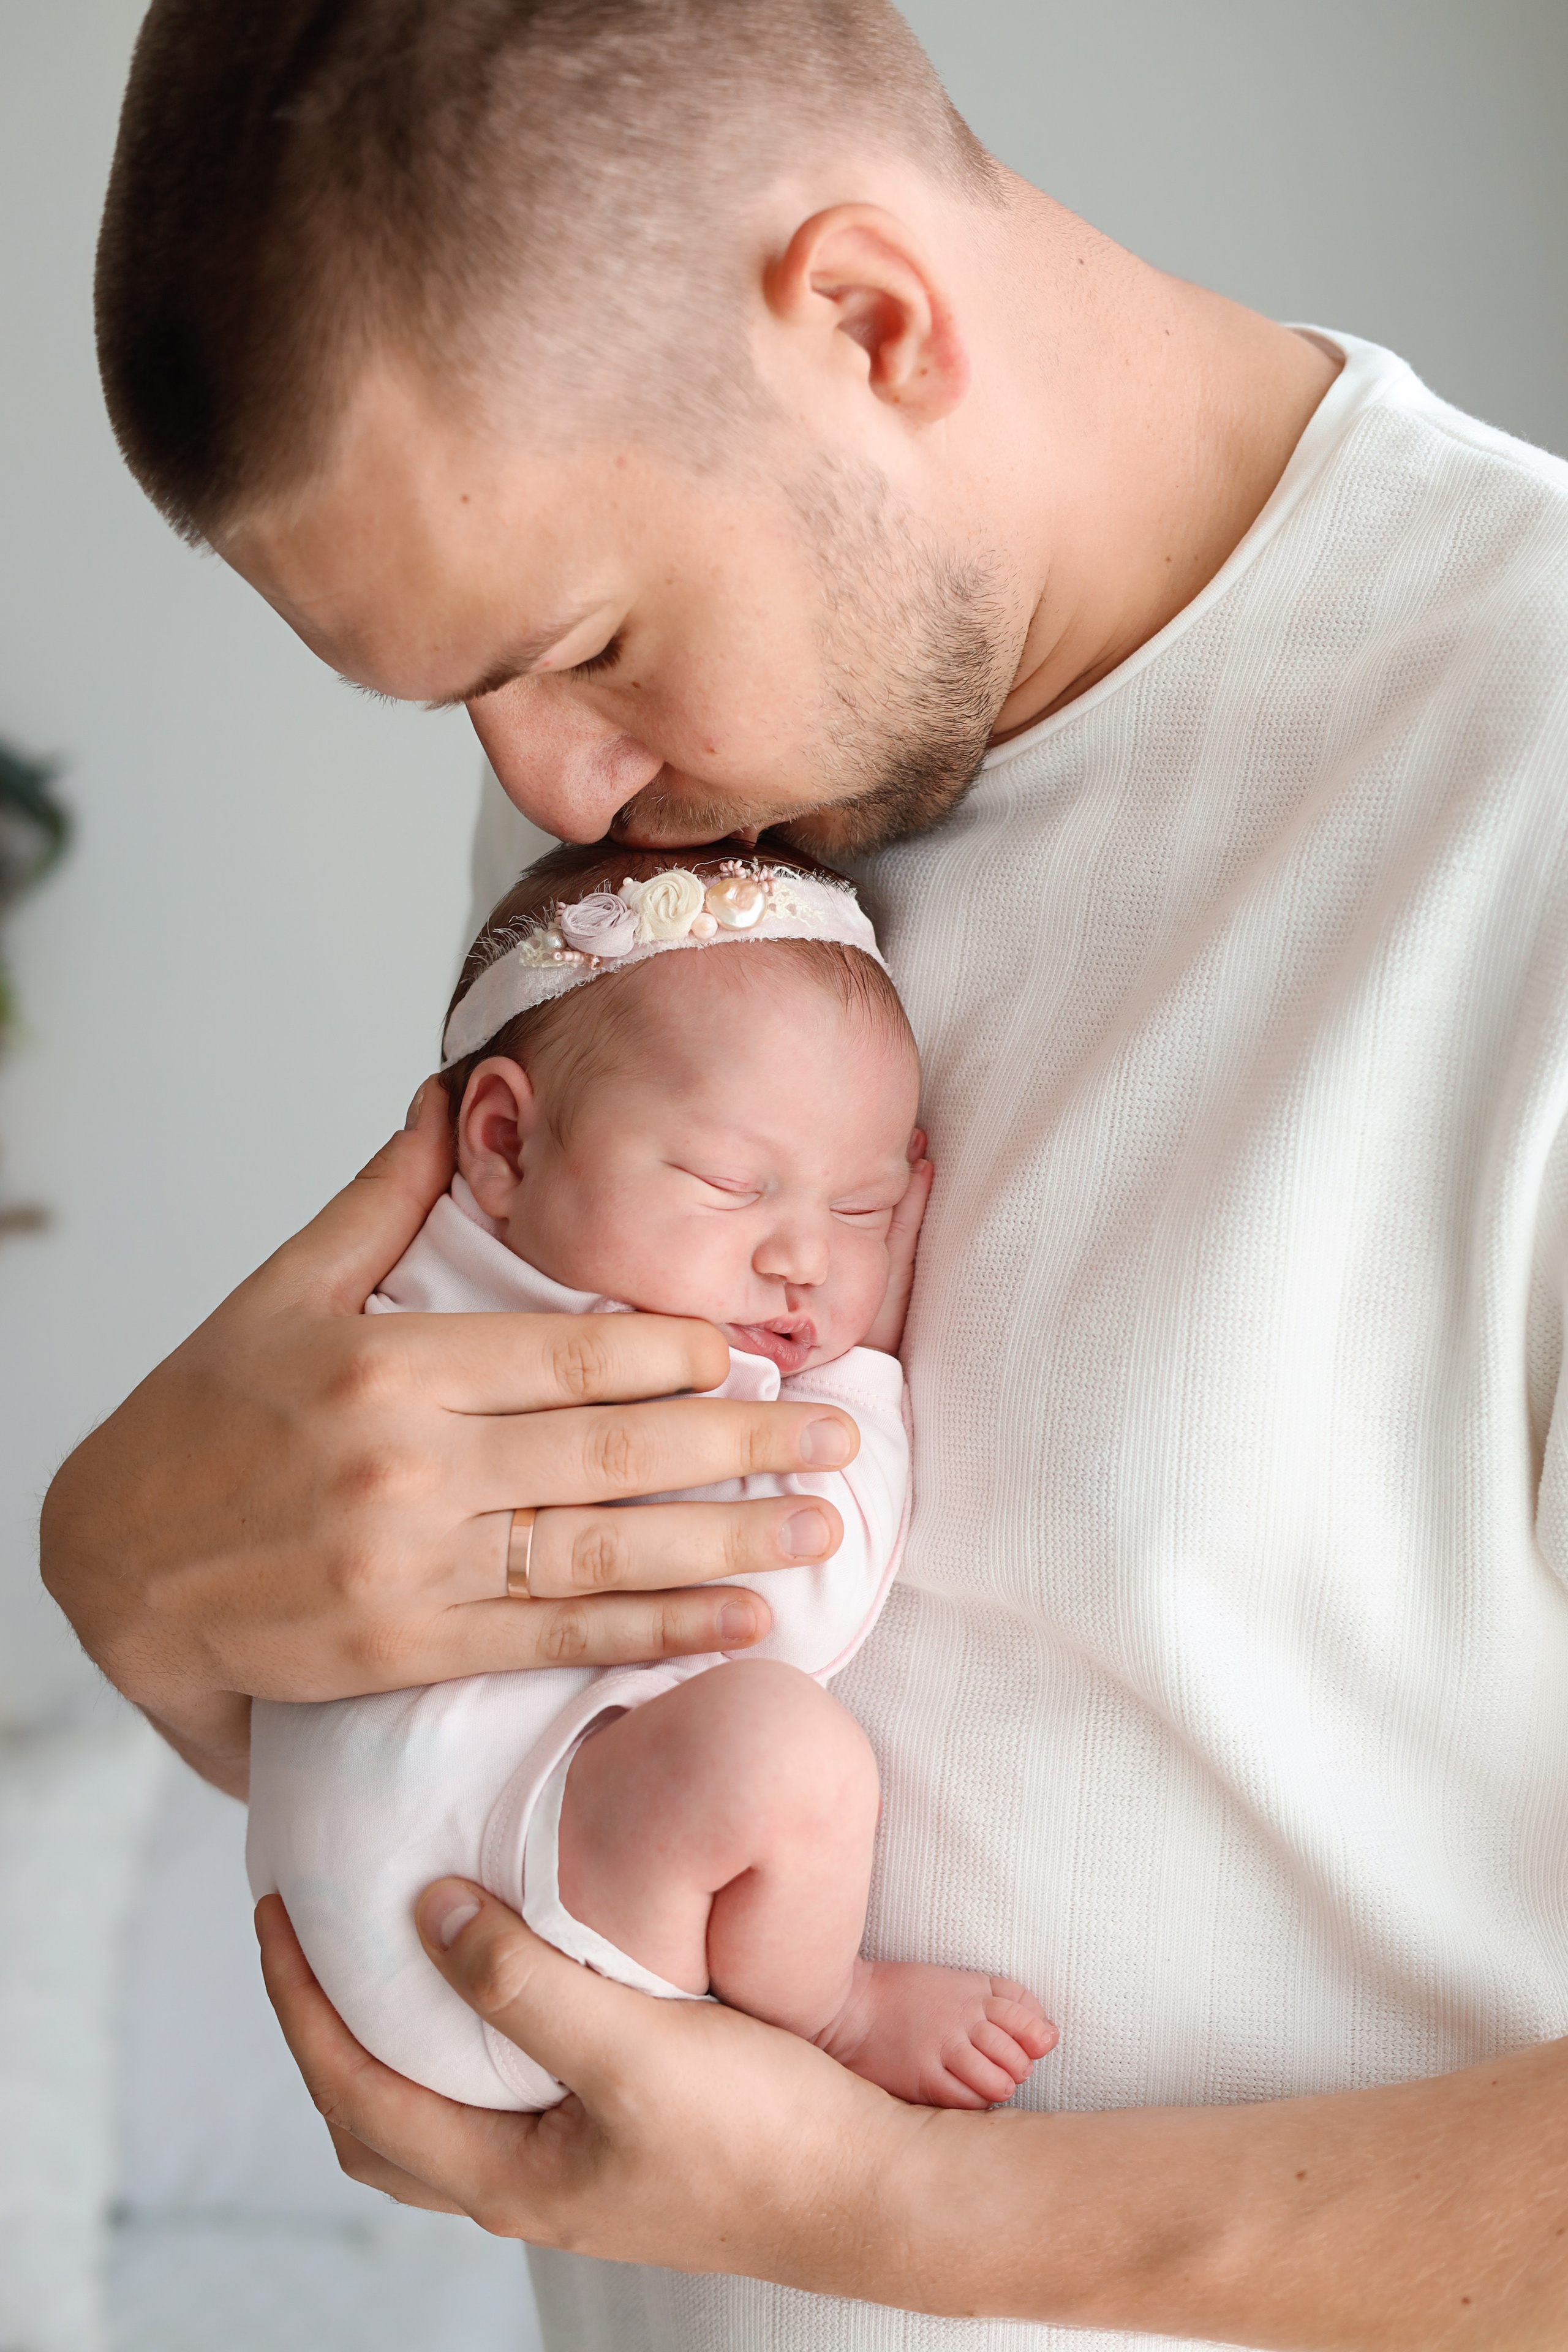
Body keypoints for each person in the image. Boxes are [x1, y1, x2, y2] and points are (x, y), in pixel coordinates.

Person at [44, 0, 1568, 2342]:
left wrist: (881, 2211)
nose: (548, 788)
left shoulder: (1519, 796)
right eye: (471, 696)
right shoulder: (673, 814)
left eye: (580, 648)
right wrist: (150, 1588)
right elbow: (537, 1714)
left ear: (868, 320)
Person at [248, 835, 1054, 2113]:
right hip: (498, 1920)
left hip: (382, 1894)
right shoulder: (632, 1363)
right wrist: (862, 1368)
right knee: (782, 1749)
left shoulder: (399, 1314)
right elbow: (795, 1602)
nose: (801, 1259)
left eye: (860, 1212)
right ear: (502, 1142)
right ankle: (829, 2009)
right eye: (730, 1185)